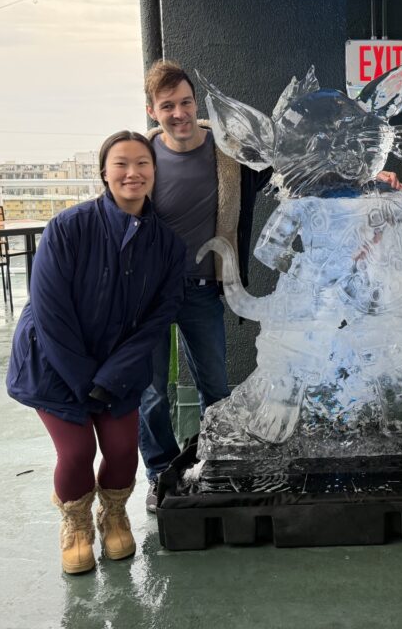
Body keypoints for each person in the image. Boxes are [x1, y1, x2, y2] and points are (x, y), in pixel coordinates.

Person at [6, 131, 186, 575]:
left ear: (154, 172)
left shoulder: (166, 245)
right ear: (104, 173)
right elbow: (50, 312)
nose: (132, 173)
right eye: (121, 164)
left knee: (124, 448)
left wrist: (109, 379)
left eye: (142, 164)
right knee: (77, 450)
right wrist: (85, 380)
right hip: (52, 364)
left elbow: (156, 321)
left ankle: (114, 513)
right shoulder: (68, 227)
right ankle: (77, 524)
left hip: (118, 369)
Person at [139, 59, 269, 512]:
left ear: (197, 103)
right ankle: (159, 474)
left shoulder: (228, 150)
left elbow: (275, 162)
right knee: (152, 391)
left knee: (215, 384)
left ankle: (220, 464)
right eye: (167, 105)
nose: (179, 113)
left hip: (201, 289)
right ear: (152, 110)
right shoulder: (143, 156)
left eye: (186, 102)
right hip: (148, 294)